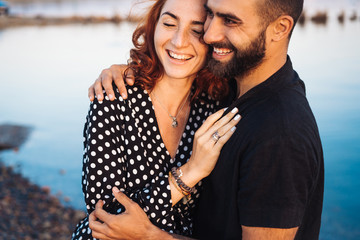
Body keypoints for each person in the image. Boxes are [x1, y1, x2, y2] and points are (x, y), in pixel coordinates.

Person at [88, 0, 324, 239]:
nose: (210, 35)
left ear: (281, 28)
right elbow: (103, 218)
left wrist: (151, 236)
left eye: (230, 21)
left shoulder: (279, 133)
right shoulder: (223, 96)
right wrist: (128, 69)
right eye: (211, 15)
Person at [72, 0, 241, 239]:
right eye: (170, 23)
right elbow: (106, 219)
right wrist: (190, 172)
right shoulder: (113, 97)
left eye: (196, 30)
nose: (179, 41)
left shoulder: (216, 105)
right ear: (153, 27)